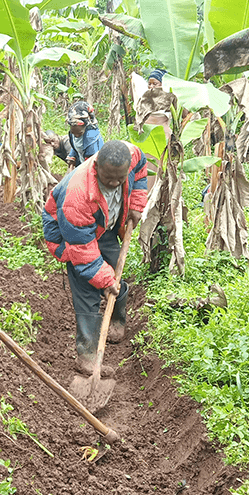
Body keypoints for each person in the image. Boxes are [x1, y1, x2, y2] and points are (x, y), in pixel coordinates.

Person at [41, 139, 152, 375]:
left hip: (104, 227)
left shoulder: (131, 154)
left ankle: (117, 320)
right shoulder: (77, 194)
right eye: (108, 178)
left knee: (115, 278)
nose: (114, 183)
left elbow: (141, 170)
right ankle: (88, 356)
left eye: (119, 179)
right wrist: (104, 280)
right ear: (96, 166)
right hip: (72, 236)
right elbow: (82, 251)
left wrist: (136, 204)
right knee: (88, 292)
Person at [43, 99, 103, 171]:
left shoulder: (91, 138)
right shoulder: (72, 134)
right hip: (83, 163)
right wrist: (71, 161)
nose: (76, 136)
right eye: (74, 133)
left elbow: (91, 162)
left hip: (95, 167)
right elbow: (74, 148)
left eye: (79, 133)